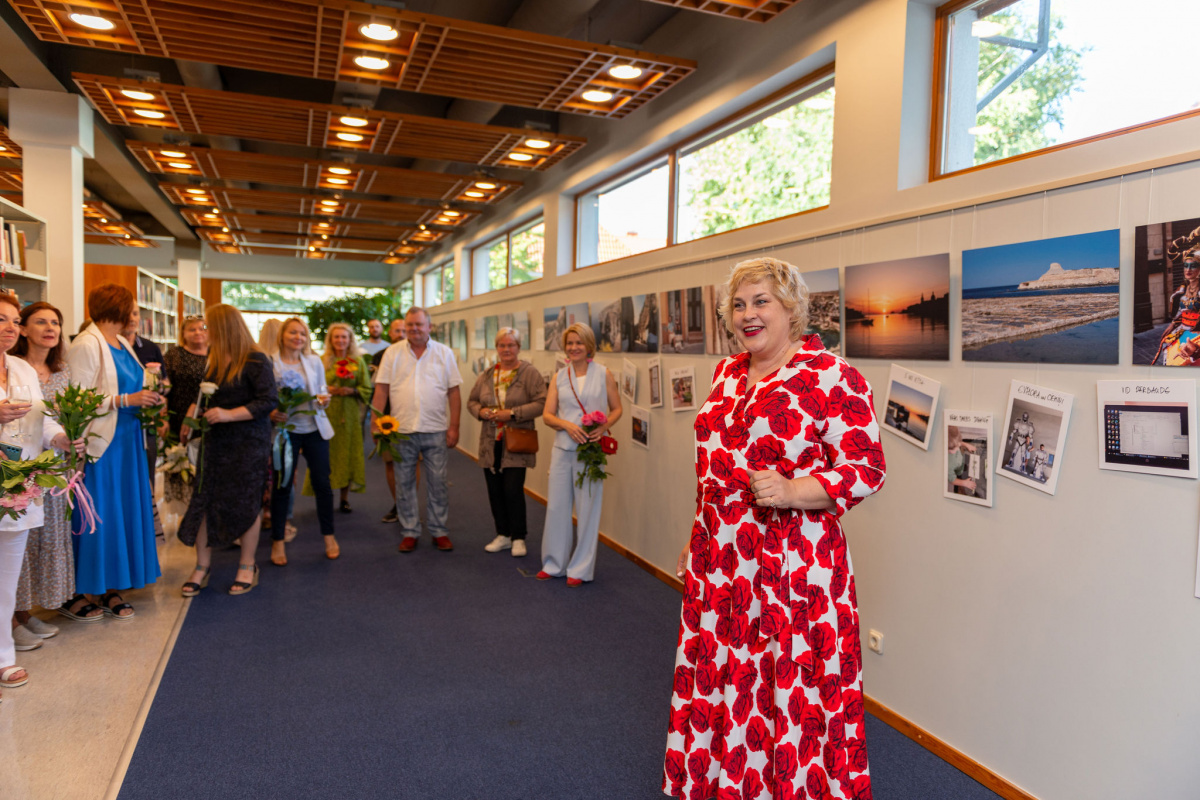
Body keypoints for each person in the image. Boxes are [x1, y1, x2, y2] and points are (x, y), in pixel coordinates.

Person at [663, 257, 886, 800]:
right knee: (724, 674)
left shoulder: (831, 375)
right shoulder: (725, 372)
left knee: (788, 684)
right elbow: (710, 469)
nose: (749, 314)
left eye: (761, 301)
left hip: (794, 564)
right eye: (739, 305)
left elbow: (867, 468)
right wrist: (694, 539)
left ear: (791, 307)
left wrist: (792, 490)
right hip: (721, 559)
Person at [63, 284, 163, 622]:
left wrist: (151, 394)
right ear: (116, 308)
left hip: (128, 438)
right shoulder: (86, 344)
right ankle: (86, 588)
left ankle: (111, 585)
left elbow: (133, 384)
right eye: (131, 309)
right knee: (102, 512)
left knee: (121, 511)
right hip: (102, 443)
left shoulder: (122, 342)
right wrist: (125, 400)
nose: (135, 316)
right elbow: (76, 399)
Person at [1, 297, 84, 685]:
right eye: (1, 319)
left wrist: (62, 439)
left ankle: (4, 655)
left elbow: (43, 418)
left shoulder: (20, 368)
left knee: (8, 575)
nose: (10, 327)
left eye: (14, 320)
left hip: (20, 481)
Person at [177, 305, 276, 597]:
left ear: (224, 327)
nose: (204, 332)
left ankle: (247, 565)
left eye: (209, 326)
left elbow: (268, 401)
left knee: (246, 502)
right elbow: (204, 397)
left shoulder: (256, 358)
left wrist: (229, 414)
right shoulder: (214, 359)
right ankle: (202, 565)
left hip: (248, 443)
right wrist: (192, 415)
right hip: (215, 442)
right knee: (203, 499)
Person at [537, 323, 622, 585]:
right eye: (570, 343)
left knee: (588, 510)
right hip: (562, 450)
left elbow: (617, 409)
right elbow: (548, 415)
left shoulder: (603, 374)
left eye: (579, 342)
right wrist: (567, 425)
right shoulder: (559, 377)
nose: (574, 347)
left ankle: (580, 569)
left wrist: (604, 427)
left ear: (589, 346)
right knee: (557, 507)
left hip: (591, 452)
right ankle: (554, 564)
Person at [371, 307, 461, 552]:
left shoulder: (444, 353)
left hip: (435, 429)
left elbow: (454, 392)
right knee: (404, 484)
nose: (414, 329)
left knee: (438, 483)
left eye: (419, 324)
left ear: (429, 327)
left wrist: (454, 426)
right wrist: (375, 422)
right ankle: (410, 531)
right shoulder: (392, 353)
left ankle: (439, 530)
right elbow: (381, 390)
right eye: (410, 325)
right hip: (402, 430)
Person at [467, 327, 546, 558]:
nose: (506, 349)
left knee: (512, 490)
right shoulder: (487, 374)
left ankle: (518, 537)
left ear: (519, 347)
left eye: (511, 345)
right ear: (497, 348)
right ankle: (502, 534)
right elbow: (472, 401)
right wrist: (482, 411)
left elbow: (542, 402)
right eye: (502, 345)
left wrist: (512, 413)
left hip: (516, 440)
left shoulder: (529, 373)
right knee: (495, 490)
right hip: (490, 441)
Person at [268, 318, 336, 565]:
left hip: (314, 429)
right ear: (282, 335)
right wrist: (271, 413)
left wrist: (324, 400)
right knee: (282, 486)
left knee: (323, 484)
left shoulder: (313, 361)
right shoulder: (271, 363)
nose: (299, 337)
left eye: (303, 334)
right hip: (285, 432)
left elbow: (322, 391)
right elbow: (265, 397)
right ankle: (278, 540)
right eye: (293, 333)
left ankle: (329, 536)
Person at [304, 323, 370, 512]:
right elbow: (311, 386)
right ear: (331, 340)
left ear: (350, 340)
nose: (340, 340)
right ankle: (325, 496)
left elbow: (366, 388)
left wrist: (352, 390)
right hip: (326, 414)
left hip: (350, 416)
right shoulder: (321, 361)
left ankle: (344, 498)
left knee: (348, 455)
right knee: (324, 456)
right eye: (337, 337)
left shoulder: (358, 362)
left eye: (344, 337)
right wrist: (327, 390)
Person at [162, 316, 208, 515]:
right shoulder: (174, 355)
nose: (198, 332)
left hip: (206, 419)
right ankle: (185, 513)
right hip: (178, 418)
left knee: (203, 466)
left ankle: (202, 511)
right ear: (183, 333)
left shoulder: (215, 355)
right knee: (181, 465)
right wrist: (162, 417)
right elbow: (163, 389)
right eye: (192, 329)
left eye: (202, 328)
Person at [124, 307, 165, 483]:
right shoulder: (109, 348)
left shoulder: (150, 347)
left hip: (147, 421)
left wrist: (159, 389)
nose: (131, 318)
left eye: (135, 313)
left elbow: (165, 383)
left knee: (147, 476)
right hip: (119, 419)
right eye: (127, 313)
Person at [372, 318, 405, 524]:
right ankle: (398, 505)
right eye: (397, 331)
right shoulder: (379, 356)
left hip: (411, 418)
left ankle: (409, 505)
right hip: (387, 418)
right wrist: (374, 420)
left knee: (412, 464)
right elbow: (376, 391)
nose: (401, 334)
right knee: (390, 462)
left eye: (404, 330)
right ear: (390, 333)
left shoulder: (418, 355)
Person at [1154, 251, 1200, 365]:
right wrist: (1173, 324)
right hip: (1183, 330)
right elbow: (1181, 311)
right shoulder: (1182, 290)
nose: (1188, 269)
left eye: (1193, 266)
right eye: (1186, 266)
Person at [947, 424, 978, 496]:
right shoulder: (948, 465)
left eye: (958, 445)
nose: (957, 448)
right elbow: (952, 480)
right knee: (959, 473)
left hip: (960, 462)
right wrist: (964, 483)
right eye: (954, 448)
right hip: (956, 470)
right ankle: (960, 473)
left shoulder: (953, 444)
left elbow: (957, 442)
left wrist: (966, 445)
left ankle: (961, 469)